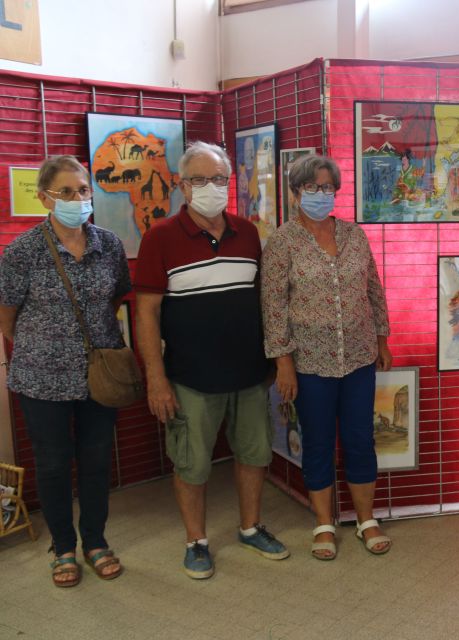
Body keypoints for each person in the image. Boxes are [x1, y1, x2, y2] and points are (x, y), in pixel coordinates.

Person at [135, 141, 288, 580]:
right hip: (190, 379)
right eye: (199, 180)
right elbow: (146, 312)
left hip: (249, 374)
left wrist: (278, 361)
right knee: (192, 464)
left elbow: (266, 302)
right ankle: (196, 541)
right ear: (181, 185)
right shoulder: (160, 237)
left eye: (219, 179)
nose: (211, 187)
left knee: (255, 455)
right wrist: (156, 379)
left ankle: (250, 527)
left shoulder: (249, 232)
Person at [0, 155, 130, 587]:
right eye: (67, 192)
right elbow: (7, 316)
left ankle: (95, 541)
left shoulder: (108, 244)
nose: (78, 198)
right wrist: (44, 345)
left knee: (95, 461)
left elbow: (116, 299)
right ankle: (62, 548)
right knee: (53, 464)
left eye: (84, 190)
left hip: (99, 375)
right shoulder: (23, 251)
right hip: (41, 377)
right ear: (44, 198)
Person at [261, 154, 392, 561]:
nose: (321, 194)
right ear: (296, 191)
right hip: (309, 361)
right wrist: (283, 361)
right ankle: (323, 523)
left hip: (358, 355)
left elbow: (374, 287)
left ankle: (366, 519)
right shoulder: (282, 241)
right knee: (318, 442)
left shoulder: (354, 235)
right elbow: (273, 305)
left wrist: (383, 338)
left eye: (328, 187)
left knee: (359, 438)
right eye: (312, 187)